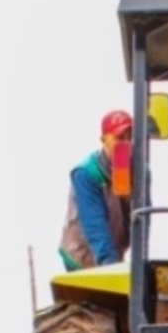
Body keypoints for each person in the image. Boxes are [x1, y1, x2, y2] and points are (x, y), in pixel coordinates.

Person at [58, 110, 136, 270]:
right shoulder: (86, 173)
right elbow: (94, 225)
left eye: (130, 137)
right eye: (119, 138)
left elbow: (140, 219)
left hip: (116, 250)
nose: (126, 144)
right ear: (104, 140)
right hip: (81, 254)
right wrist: (110, 266)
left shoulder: (140, 172)